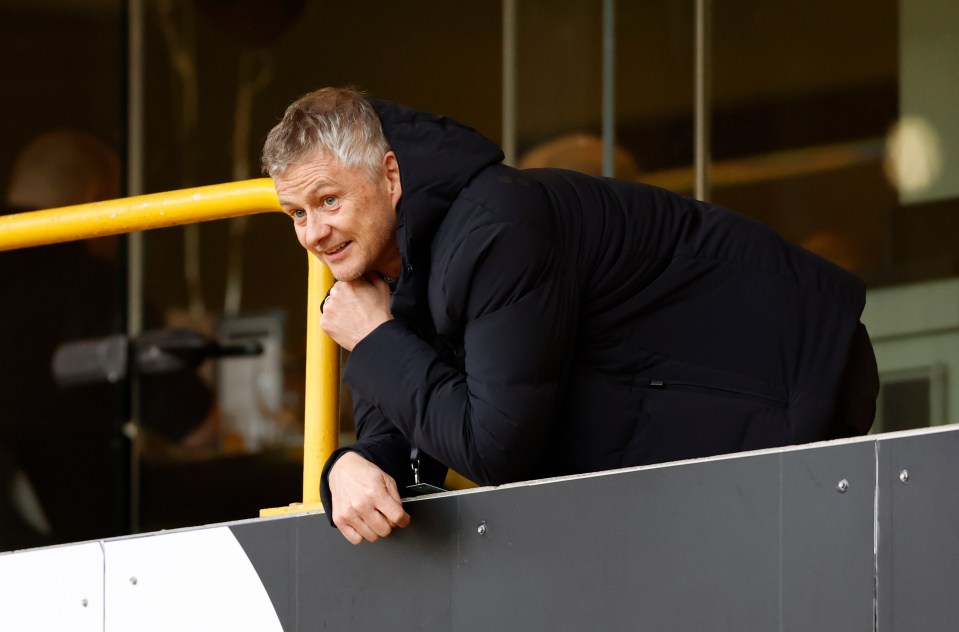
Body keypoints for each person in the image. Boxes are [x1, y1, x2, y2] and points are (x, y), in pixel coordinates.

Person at [261, 87, 879, 545]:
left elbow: (496, 448)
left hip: (788, 385)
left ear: (389, 175)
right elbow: (404, 424)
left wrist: (376, 340)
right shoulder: (375, 269)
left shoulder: (496, 228)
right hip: (693, 436)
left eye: (329, 200)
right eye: (297, 214)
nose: (315, 233)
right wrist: (347, 467)